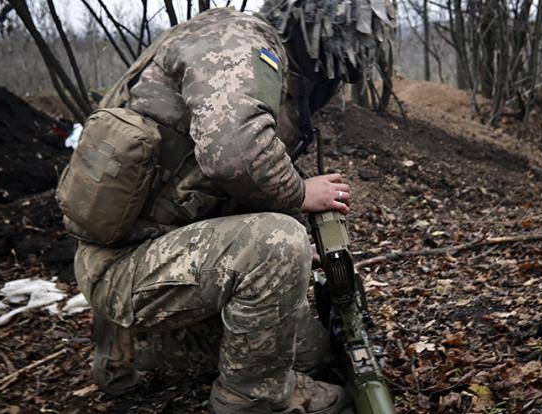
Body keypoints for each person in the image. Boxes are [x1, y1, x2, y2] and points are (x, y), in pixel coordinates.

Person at [68, 1, 393, 413]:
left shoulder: (271, 64)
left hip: (156, 250)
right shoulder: (237, 39)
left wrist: (283, 263)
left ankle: (136, 345)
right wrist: (297, 198)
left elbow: (217, 185)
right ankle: (253, 398)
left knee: (314, 353)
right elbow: (234, 156)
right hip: (123, 263)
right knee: (278, 243)